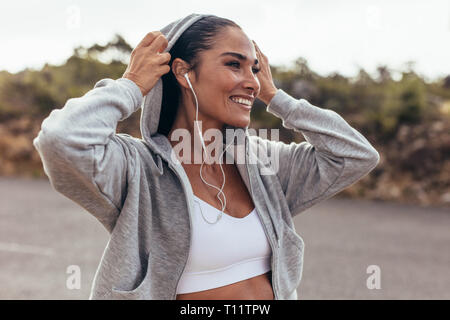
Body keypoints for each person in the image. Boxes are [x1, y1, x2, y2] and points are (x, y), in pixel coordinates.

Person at [33, 13, 380, 300]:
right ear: (184, 72)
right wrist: (131, 85)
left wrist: (277, 98)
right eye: (234, 65)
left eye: (255, 69)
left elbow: (355, 155)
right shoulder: (137, 169)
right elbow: (61, 139)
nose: (253, 82)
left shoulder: (263, 164)